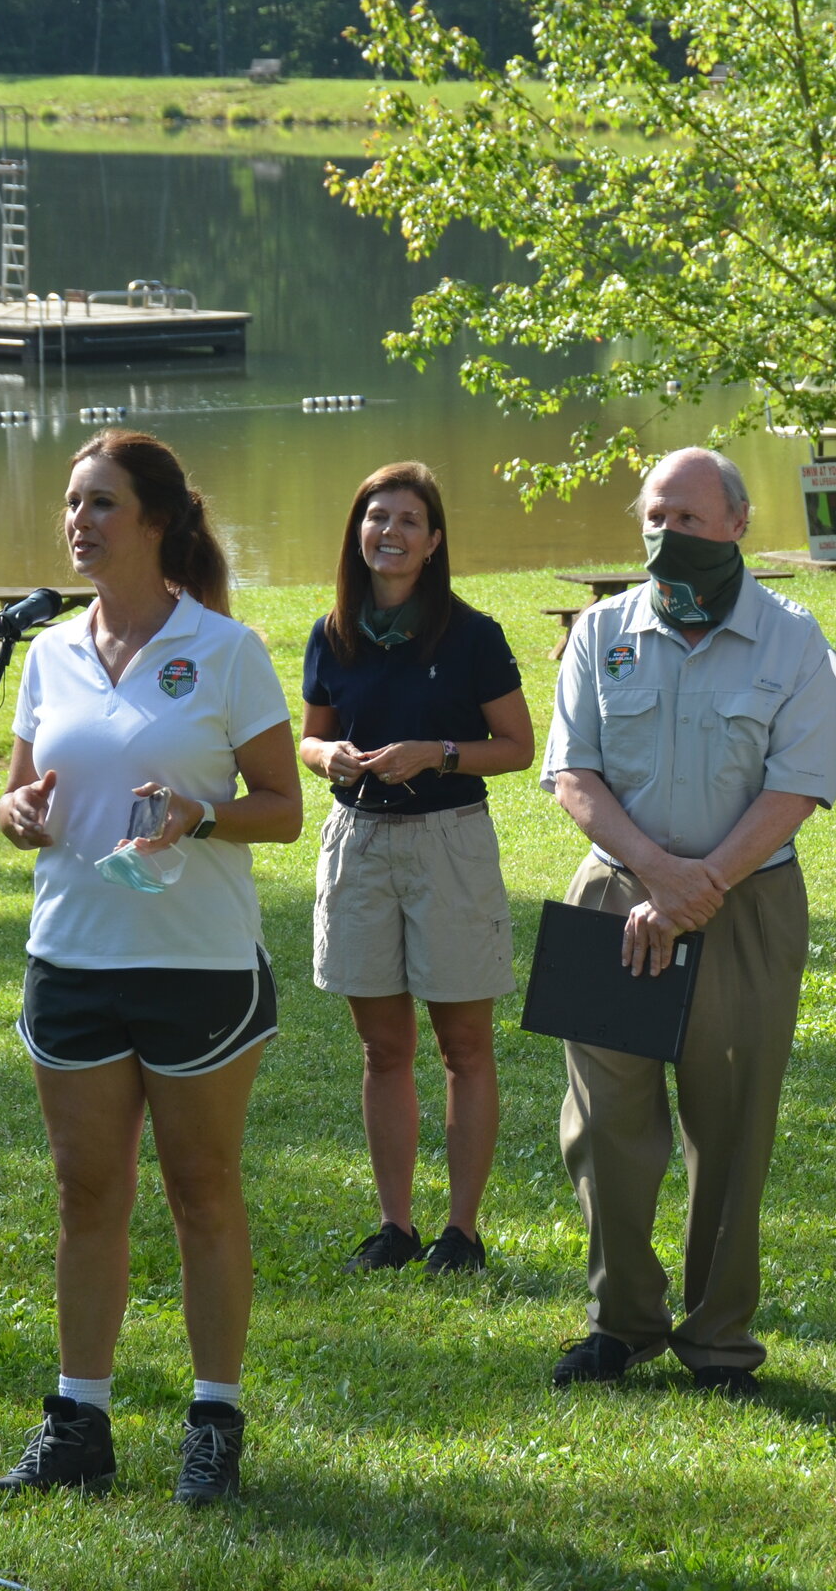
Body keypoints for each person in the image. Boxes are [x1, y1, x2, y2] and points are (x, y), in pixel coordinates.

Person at [0, 430, 301, 1506]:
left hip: (199, 970)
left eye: (101, 504)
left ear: (156, 521)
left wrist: (200, 816)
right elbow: (19, 794)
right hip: (73, 956)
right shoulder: (46, 653)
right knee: (86, 1193)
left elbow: (284, 809)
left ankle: (213, 1418)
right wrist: (15, 813)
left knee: (202, 1191)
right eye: (72, 504)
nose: (79, 522)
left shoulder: (225, 650)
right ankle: (80, 1420)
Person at [539, 447, 836, 1399]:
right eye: (654, 517)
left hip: (747, 904)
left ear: (737, 524)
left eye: (687, 517)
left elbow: (798, 785)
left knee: (731, 1125)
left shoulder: (795, 640)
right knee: (601, 1127)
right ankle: (621, 1322)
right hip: (613, 895)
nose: (666, 534)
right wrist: (658, 876)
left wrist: (698, 887)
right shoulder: (600, 631)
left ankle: (718, 1342)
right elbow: (572, 775)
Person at [297, 462, 533, 1275]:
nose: (388, 533)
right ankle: (395, 1227)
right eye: (375, 518)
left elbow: (517, 747)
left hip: (449, 843)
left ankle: (460, 1232)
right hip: (358, 844)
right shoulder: (333, 633)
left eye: (406, 521)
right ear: (357, 535)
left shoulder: (473, 636)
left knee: (464, 1046)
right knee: (381, 1048)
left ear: (433, 543)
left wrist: (437, 753)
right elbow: (309, 736)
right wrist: (328, 755)